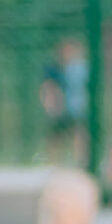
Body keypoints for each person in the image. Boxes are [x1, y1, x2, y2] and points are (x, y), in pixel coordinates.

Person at [39, 36, 89, 166]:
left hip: (75, 109)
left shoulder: (79, 69)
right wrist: (51, 105)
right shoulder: (54, 69)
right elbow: (48, 88)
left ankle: (81, 162)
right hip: (60, 109)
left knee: (79, 134)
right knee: (55, 137)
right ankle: (53, 164)